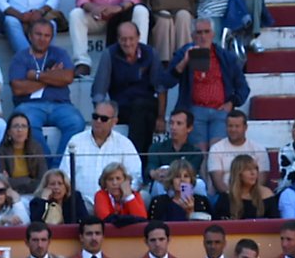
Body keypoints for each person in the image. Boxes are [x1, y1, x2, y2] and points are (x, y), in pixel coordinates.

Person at [160, 19, 250, 150]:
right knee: (199, 154)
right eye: (199, 32)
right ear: (192, 36)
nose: (203, 36)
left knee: (217, 151)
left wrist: (231, 102)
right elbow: (166, 82)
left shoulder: (225, 57)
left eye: (206, 32)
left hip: (220, 110)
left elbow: (243, 87)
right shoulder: (183, 53)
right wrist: (184, 62)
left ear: (213, 34)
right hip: (194, 111)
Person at [90, 20, 164, 158]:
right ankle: (140, 160)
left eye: (131, 39)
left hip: (146, 103)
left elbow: (160, 87)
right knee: (143, 115)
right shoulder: (110, 54)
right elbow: (99, 90)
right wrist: (102, 116)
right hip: (122, 106)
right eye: (123, 39)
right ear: (118, 39)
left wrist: (161, 117)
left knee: (141, 109)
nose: (128, 43)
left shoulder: (150, 53)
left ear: (138, 37)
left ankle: (134, 157)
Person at [207, 109, 270, 194]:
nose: (233, 129)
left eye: (237, 126)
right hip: (226, 195)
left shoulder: (259, 149)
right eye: (230, 126)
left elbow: (262, 179)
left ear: (245, 127)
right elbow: (217, 181)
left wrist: (247, 196)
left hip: (253, 195)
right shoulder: (216, 149)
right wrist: (232, 195)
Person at [147, 107, 206, 192]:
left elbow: (190, 173)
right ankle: (164, 205)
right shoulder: (156, 148)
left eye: (179, 124)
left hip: (184, 188)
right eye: (171, 123)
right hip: (163, 188)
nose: (173, 127)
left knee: (199, 184)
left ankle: (188, 204)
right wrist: (154, 173)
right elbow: (151, 166)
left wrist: (171, 174)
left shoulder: (195, 152)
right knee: (160, 183)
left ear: (189, 128)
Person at [212, 152, 279, 219]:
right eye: (248, 169)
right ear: (238, 173)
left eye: (255, 169)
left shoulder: (266, 194)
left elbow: (275, 222)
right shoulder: (225, 199)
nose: (253, 173)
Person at [0, 111, 48, 196]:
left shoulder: (36, 149)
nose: (20, 130)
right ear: (9, 131)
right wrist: (27, 180)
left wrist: (13, 181)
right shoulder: (0, 151)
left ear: (28, 131)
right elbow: (2, 181)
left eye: (23, 126)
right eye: (16, 126)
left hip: (34, 193)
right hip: (9, 195)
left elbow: (43, 179)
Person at [148, 157, 214, 219]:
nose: (182, 180)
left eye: (186, 176)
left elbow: (205, 227)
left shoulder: (202, 202)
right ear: (171, 180)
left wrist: (190, 213)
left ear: (191, 180)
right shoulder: (159, 202)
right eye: (177, 176)